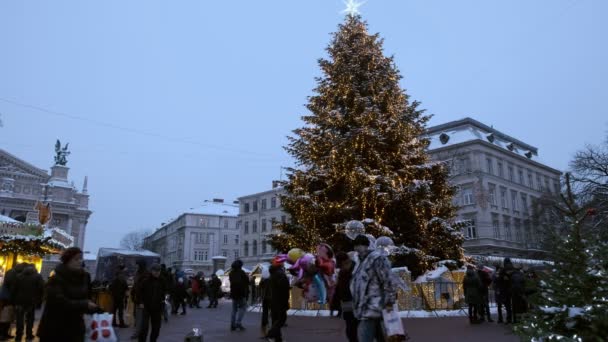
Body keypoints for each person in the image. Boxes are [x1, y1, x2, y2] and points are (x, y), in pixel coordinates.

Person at [37, 247, 100, 342]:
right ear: (67, 260)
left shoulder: (84, 277)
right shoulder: (56, 278)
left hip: (75, 329)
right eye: (76, 259)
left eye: (81, 258)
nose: (80, 261)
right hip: (55, 328)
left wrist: (97, 310)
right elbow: (58, 302)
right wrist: (84, 304)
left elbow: (86, 298)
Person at [351, 235, 396, 342]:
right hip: (364, 307)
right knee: (380, 336)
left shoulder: (377, 259)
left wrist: (390, 301)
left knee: (364, 335)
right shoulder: (359, 261)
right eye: (355, 245)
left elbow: (388, 280)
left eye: (360, 245)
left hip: (374, 305)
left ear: (366, 246)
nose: (357, 248)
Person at [12, 263, 44, 341]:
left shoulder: (19, 276)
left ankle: (18, 335)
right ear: (34, 268)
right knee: (30, 319)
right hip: (31, 302)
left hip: (19, 301)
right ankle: (29, 335)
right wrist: (39, 300)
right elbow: (41, 289)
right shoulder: (38, 277)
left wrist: (13, 300)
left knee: (20, 319)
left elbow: (14, 289)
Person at [137, 263, 167, 342]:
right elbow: (139, 292)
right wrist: (140, 302)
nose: (157, 272)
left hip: (158, 307)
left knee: (156, 327)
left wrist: (164, 300)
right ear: (151, 271)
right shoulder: (145, 280)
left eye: (158, 270)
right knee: (144, 327)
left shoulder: (162, 280)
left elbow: (165, 291)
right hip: (146, 306)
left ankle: (153, 340)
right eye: (155, 270)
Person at [336, 252, 358, 342]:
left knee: (354, 327)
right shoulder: (342, 271)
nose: (341, 267)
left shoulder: (356, 269)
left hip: (355, 301)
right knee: (350, 328)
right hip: (346, 302)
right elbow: (340, 287)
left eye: (342, 265)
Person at [265, 263, 290, 342]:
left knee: (275, 319)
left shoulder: (272, 275)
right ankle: (271, 334)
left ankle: (278, 338)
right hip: (281, 300)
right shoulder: (281, 275)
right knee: (282, 319)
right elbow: (284, 289)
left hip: (273, 300)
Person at [229, 259, 249, 331]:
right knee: (243, 307)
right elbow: (247, 281)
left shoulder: (231, 273)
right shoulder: (242, 272)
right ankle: (238, 323)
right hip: (241, 293)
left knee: (234, 309)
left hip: (233, 293)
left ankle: (232, 324)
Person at [131, 260, 149, 340]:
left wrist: (142, 301)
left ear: (141, 266)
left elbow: (144, 289)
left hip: (143, 300)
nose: (136, 266)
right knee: (137, 316)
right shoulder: (138, 273)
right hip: (137, 299)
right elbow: (135, 285)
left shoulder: (146, 275)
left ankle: (138, 333)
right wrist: (133, 293)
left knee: (140, 317)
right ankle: (139, 332)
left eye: (137, 265)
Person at [497, 258, 515, 324]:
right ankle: (514, 319)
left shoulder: (503, 270)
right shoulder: (513, 269)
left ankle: (508, 319)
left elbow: (498, 280)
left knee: (507, 305)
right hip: (513, 290)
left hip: (505, 290)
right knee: (512, 305)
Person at [259, 267, 271, 337]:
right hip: (271, 297)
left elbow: (260, 286)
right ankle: (269, 325)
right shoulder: (272, 279)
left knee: (265, 312)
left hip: (265, 297)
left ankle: (264, 323)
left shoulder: (264, 280)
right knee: (271, 312)